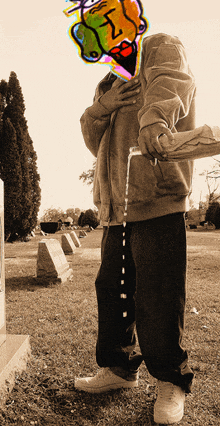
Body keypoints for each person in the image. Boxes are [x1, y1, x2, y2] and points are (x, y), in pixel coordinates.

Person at [75, 32, 196, 425]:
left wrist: (156, 117)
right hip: (115, 207)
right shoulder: (109, 79)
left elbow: (172, 82)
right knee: (111, 288)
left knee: (158, 292)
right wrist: (100, 108)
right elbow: (97, 144)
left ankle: (169, 380)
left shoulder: (158, 46)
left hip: (157, 197)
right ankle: (118, 369)